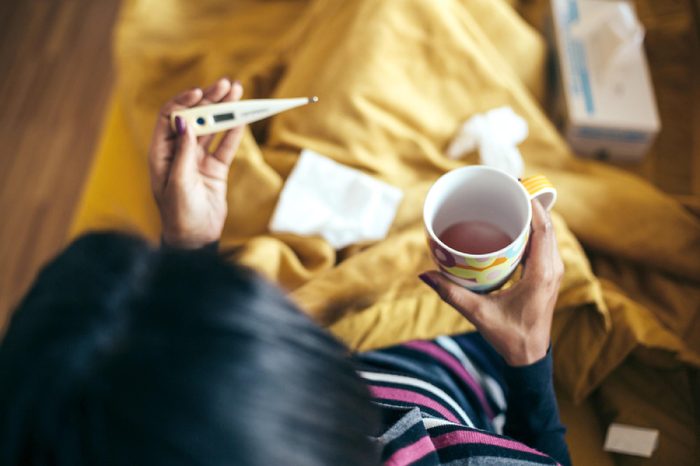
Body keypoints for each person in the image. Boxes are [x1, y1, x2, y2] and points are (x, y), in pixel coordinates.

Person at [0, 78, 570, 466]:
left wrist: (190, 248)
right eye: (312, 365)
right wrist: (528, 360)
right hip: (483, 379)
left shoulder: (138, 417)